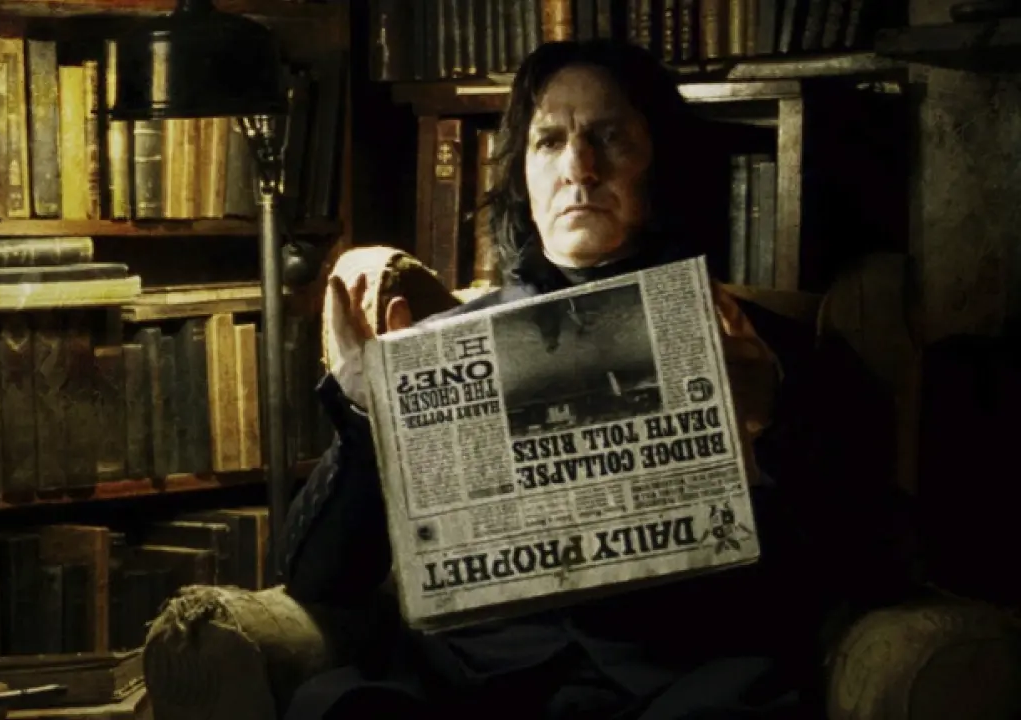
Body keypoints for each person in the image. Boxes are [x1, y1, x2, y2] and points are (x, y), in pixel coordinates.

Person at [278, 39, 908, 720]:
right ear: (522, 175)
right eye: (550, 141)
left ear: (660, 162)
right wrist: (364, 418)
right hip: (473, 686)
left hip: (679, 682)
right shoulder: (442, 347)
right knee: (329, 703)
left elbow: (880, 561)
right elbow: (320, 581)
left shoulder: (768, 348)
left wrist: (772, 417)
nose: (579, 168)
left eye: (610, 138)